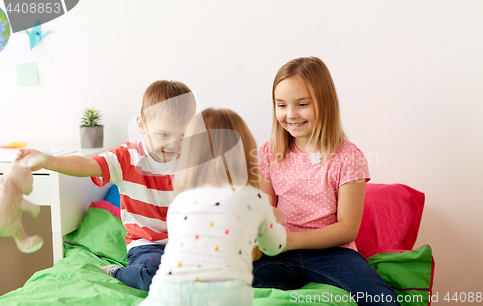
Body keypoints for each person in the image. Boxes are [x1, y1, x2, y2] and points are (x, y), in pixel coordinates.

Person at [19, 80, 197, 292]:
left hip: (188, 242)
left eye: (183, 135)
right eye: (164, 135)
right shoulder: (127, 157)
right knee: (154, 276)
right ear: (142, 125)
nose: (174, 144)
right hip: (148, 246)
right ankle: (115, 271)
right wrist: (48, 160)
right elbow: (86, 165)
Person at [253, 57, 401, 306]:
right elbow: (265, 207)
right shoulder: (270, 151)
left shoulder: (348, 157)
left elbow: (347, 228)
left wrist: (289, 240)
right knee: (221, 284)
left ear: (325, 103)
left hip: (333, 254)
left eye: (302, 104)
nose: (291, 115)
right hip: (278, 253)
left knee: (382, 300)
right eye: (281, 105)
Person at [140, 108, 287, 306]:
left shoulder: (180, 202)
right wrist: (278, 221)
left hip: (168, 291)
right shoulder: (256, 199)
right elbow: (273, 246)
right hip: (227, 295)